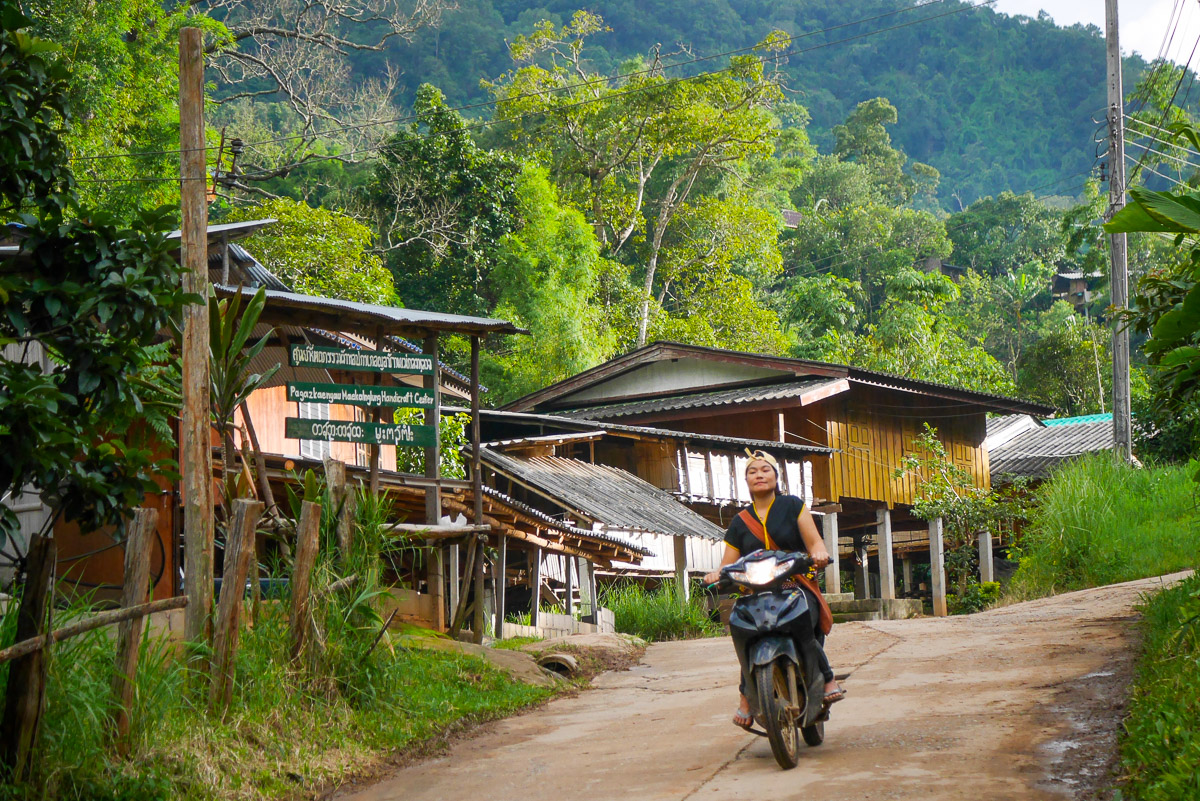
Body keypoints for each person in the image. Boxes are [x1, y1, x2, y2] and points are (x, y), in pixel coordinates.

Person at [703, 450, 845, 731]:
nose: (759, 474)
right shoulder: (740, 521)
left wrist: (818, 554)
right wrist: (716, 574)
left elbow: (815, 543)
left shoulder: (793, 506)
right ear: (745, 480)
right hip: (755, 592)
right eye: (752, 471)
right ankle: (746, 695)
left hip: (795, 585)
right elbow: (726, 564)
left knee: (805, 626)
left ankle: (827, 677)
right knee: (742, 631)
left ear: (776, 476)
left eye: (765, 469)